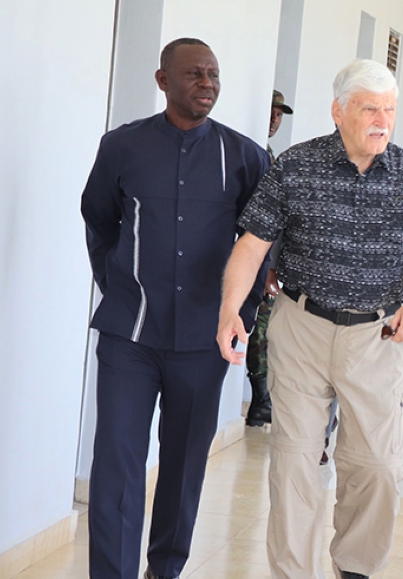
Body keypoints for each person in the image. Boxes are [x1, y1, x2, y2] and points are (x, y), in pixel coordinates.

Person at [216, 59, 403, 579]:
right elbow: (252, 245)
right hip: (302, 326)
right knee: (295, 462)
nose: (382, 120)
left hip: (378, 333)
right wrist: (231, 309)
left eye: (389, 109)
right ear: (338, 111)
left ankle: (355, 568)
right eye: (370, 108)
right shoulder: (297, 165)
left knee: (378, 466)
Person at [80, 38, 269, 579]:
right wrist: (118, 285)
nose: (206, 83)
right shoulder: (122, 146)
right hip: (129, 337)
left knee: (184, 468)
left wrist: (242, 315)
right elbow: (99, 218)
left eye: (212, 74)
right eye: (193, 74)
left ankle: (166, 570)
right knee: (116, 464)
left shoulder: (245, 155)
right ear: (163, 81)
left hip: (203, 343)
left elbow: (260, 243)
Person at [244, 89, 294, 427]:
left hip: (265, 258)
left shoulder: (270, 154)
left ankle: (263, 399)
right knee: (259, 327)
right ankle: (261, 399)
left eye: (280, 113)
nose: (275, 118)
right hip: (250, 255)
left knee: (264, 326)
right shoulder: (250, 153)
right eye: (272, 111)